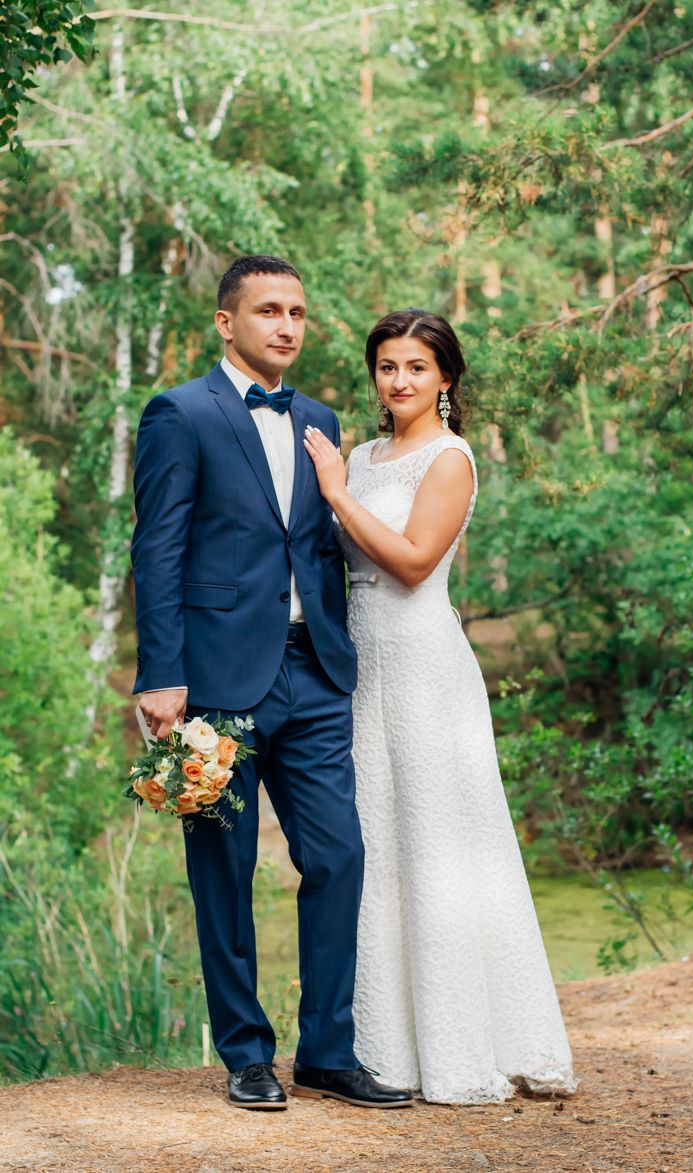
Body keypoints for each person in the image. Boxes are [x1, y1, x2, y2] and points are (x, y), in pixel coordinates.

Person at [131, 255, 411, 1111]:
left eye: (296, 312)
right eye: (268, 311)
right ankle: (247, 1053)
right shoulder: (179, 412)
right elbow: (157, 547)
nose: (286, 325)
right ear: (227, 322)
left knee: (339, 855)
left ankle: (326, 1049)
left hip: (314, 671)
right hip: (216, 679)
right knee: (224, 868)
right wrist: (161, 673)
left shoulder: (319, 418)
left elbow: (319, 543)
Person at [303, 308, 577, 1104]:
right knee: (375, 844)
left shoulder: (450, 458)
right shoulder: (362, 456)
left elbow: (416, 561)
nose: (399, 380)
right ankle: (382, 1047)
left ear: (445, 378)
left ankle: (462, 1045)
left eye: (416, 367)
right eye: (387, 366)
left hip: (425, 665)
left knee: (440, 845)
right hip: (360, 667)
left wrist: (333, 492)